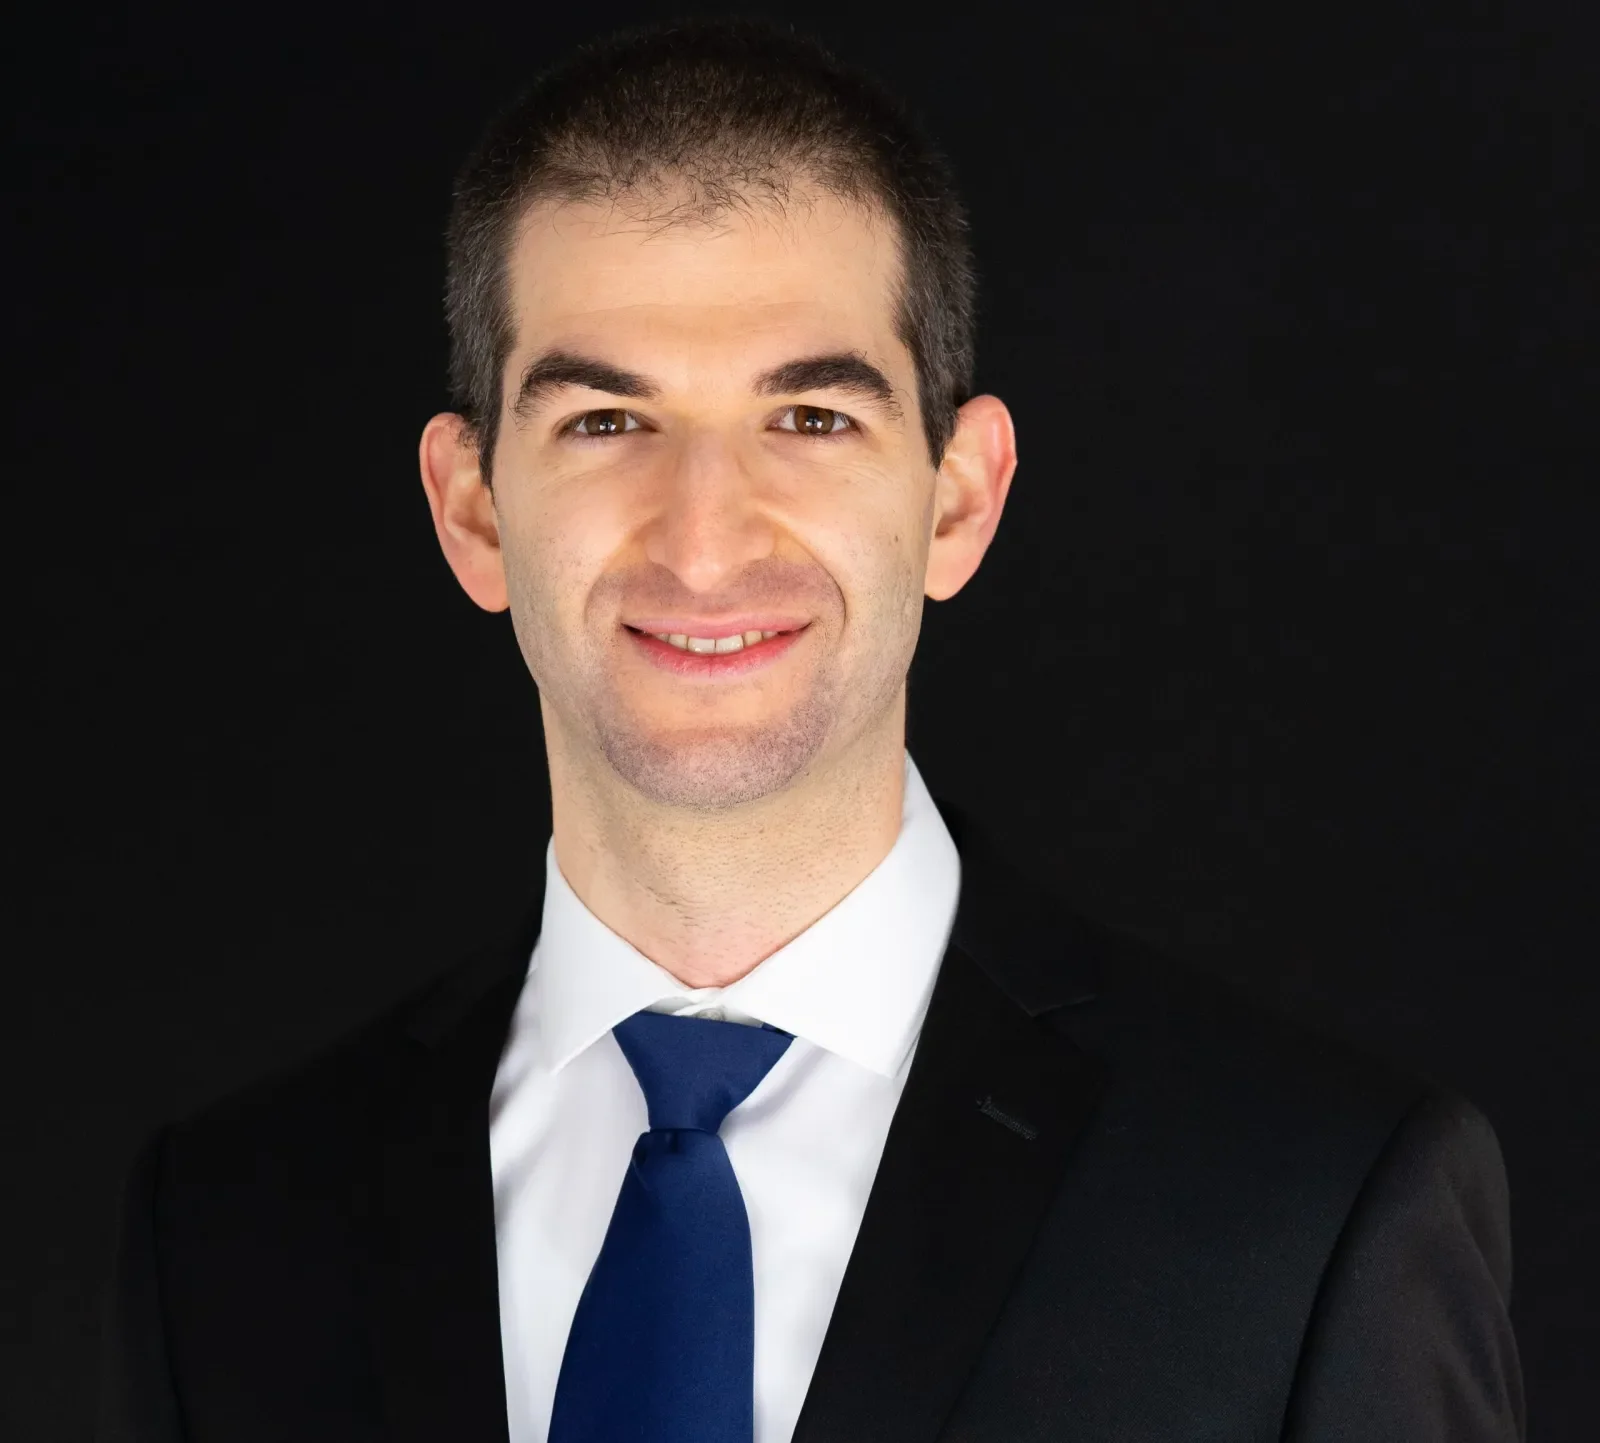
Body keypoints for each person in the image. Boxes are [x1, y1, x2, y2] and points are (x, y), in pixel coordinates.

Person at [97, 18, 1524, 1443]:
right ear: (472, 510)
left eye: (810, 418)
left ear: (958, 497)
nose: (704, 537)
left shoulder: (1311, 1212)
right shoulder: (224, 1227)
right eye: (604, 420)